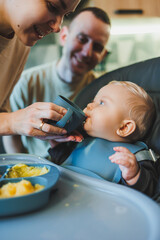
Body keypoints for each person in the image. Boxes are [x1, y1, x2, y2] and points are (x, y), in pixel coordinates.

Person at [3, 7, 111, 159]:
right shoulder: (26, 83)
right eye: (82, 39)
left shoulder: (104, 93)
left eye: (97, 47)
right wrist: (25, 164)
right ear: (64, 36)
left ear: (103, 55)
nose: (87, 52)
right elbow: (11, 135)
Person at [49, 81, 158, 197]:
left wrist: (133, 175)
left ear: (124, 127)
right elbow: (66, 161)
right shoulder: (82, 141)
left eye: (101, 103)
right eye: (92, 101)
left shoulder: (135, 159)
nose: (89, 105)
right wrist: (56, 144)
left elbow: (147, 192)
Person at [0, 0, 81, 142]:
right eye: (53, 7)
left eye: (65, 15)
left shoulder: (21, 44)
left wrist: (38, 127)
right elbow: (7, 121)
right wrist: (12, 121)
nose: (57, 27)